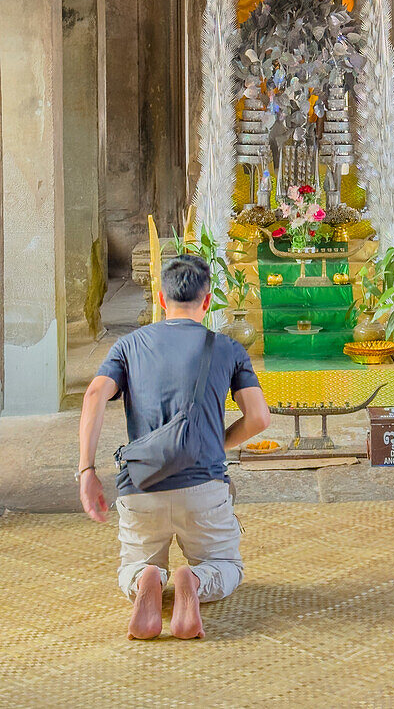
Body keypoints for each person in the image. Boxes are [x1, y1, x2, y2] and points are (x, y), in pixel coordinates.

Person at [77, 255, 270, 641]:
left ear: (162, 300)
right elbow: (259, 419)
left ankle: (147, 576)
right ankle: (194, 579)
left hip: (142, 486)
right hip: (204, 489)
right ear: (208, 299)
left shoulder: (129, 345)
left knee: (131, 565)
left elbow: (96, 392)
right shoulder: (229, 348)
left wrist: (87, 471)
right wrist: (216, 444)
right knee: (226, 566)